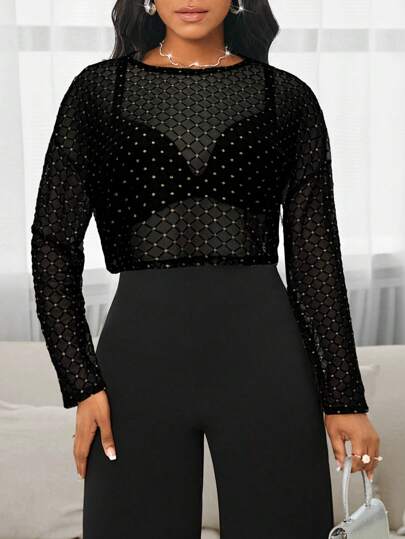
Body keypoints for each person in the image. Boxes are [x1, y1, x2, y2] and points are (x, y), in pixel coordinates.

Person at [30, 0, 381, 537]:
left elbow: (315, 259)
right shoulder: (98, 92)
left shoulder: (288, 98)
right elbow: (53, 242)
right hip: (137, 367)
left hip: (267, 362)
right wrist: (81, 381)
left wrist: (344, 397)